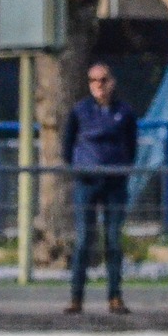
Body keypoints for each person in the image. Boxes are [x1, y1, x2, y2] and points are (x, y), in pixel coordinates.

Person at [63, 61, 138, 316]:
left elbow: (132, 146)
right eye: (93, 81)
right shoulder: (80, 111)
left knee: (114, 241)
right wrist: (79, 168)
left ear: (112, 81)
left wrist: (121, 168)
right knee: (84, 240)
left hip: (115, 183)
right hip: (86, 182)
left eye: (103, 80)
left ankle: (115, 296)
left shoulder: (124, 112)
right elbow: (67, 144)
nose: (99, 85)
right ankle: (76, 298)